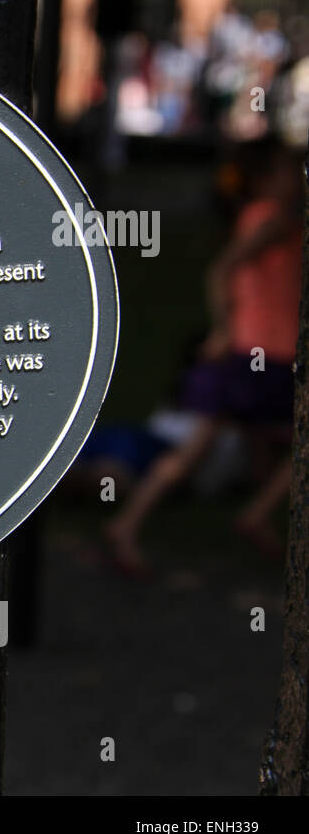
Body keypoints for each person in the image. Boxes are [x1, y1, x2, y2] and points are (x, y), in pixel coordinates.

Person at [105, 149, 301, 573]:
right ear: (264, 179)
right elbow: (222, 269)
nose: (298, 178)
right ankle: (256, 515)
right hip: (264, 356)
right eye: (290, 170)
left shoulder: (259, 216)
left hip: (254, 356)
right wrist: (224, 328)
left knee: (202, 446)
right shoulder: (274, 219)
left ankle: (126, 525)